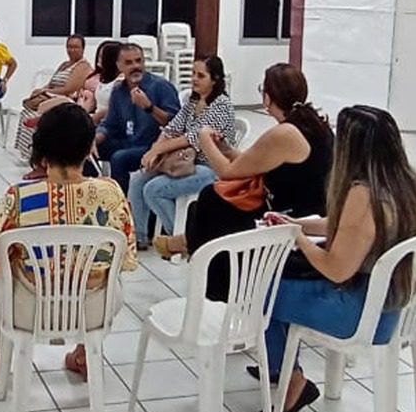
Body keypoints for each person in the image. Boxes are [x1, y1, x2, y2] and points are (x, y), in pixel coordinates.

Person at [256, 105, 416, 412]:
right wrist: (300, 224)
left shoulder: (362, 194)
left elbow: (336, 269)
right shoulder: (404, 183)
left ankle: (291, 380)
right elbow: (350, 228)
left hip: (359, 315)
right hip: (394, 307)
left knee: (263, 292)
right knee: (284, 285)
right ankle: (284, 365)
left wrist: (293, 236)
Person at [0, 102, 137, 381]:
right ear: (89, 146)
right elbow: (125, 256)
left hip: (28, 311)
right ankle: (83, 352)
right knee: (106, 273)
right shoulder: (111, 193)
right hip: (93, 311)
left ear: (40, 149)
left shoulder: (18, 197)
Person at [155, 63, 335, 302]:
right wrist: (226, 149)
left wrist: (204, 139)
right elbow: (257, 163)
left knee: (211, 201)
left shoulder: (286, 133)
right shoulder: (313, 124)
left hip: (289, 214)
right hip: (302, 204)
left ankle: (210, 281)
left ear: (268, 97)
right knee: (208, 202)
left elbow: (229, 172)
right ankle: (187, 246)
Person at [128, 56, 235, 248]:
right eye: (193, 74)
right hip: (184, 162)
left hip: (210, 168)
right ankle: (139, 238)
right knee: (138, 179)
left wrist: (158, 150)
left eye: (201, 75)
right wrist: (154, 153)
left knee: (153, 190)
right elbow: (171, 129)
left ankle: (184, 239)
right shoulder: (192, 102)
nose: (194, 79)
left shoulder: (221, 105)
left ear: (215, 79)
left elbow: (194, 138)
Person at [93, 43, 180, 192]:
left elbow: (175, 124)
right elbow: (109, 125)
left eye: (138, 61)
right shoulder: (119, 91)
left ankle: (121, 206)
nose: (135, 66)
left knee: (119, 158)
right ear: (119, 66)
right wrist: (93, 140)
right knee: (83, 150)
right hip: (128, 140)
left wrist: (149, 107)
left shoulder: (160, 86)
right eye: (129, 62)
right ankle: (92, 196)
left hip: (153, 145)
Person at [14, 34, 92, 166]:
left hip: (65, 100)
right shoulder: (64, 65)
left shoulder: (82, 66)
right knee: (26, 112)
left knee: (37, 115)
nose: (72, 50)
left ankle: (38, 154)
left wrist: (46, 92)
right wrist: (40, 91)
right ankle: (28, 152)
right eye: (69, 46)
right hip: (52, 95)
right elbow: (51, 83)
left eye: (76, 47)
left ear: (83, 49)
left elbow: (69, 88)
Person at [77, 40, 122, 124]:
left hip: (105, 122)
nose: (98, 59)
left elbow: (114, 110)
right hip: (95, 115)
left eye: (101, 57)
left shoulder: (119, 82)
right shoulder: (104, 79)